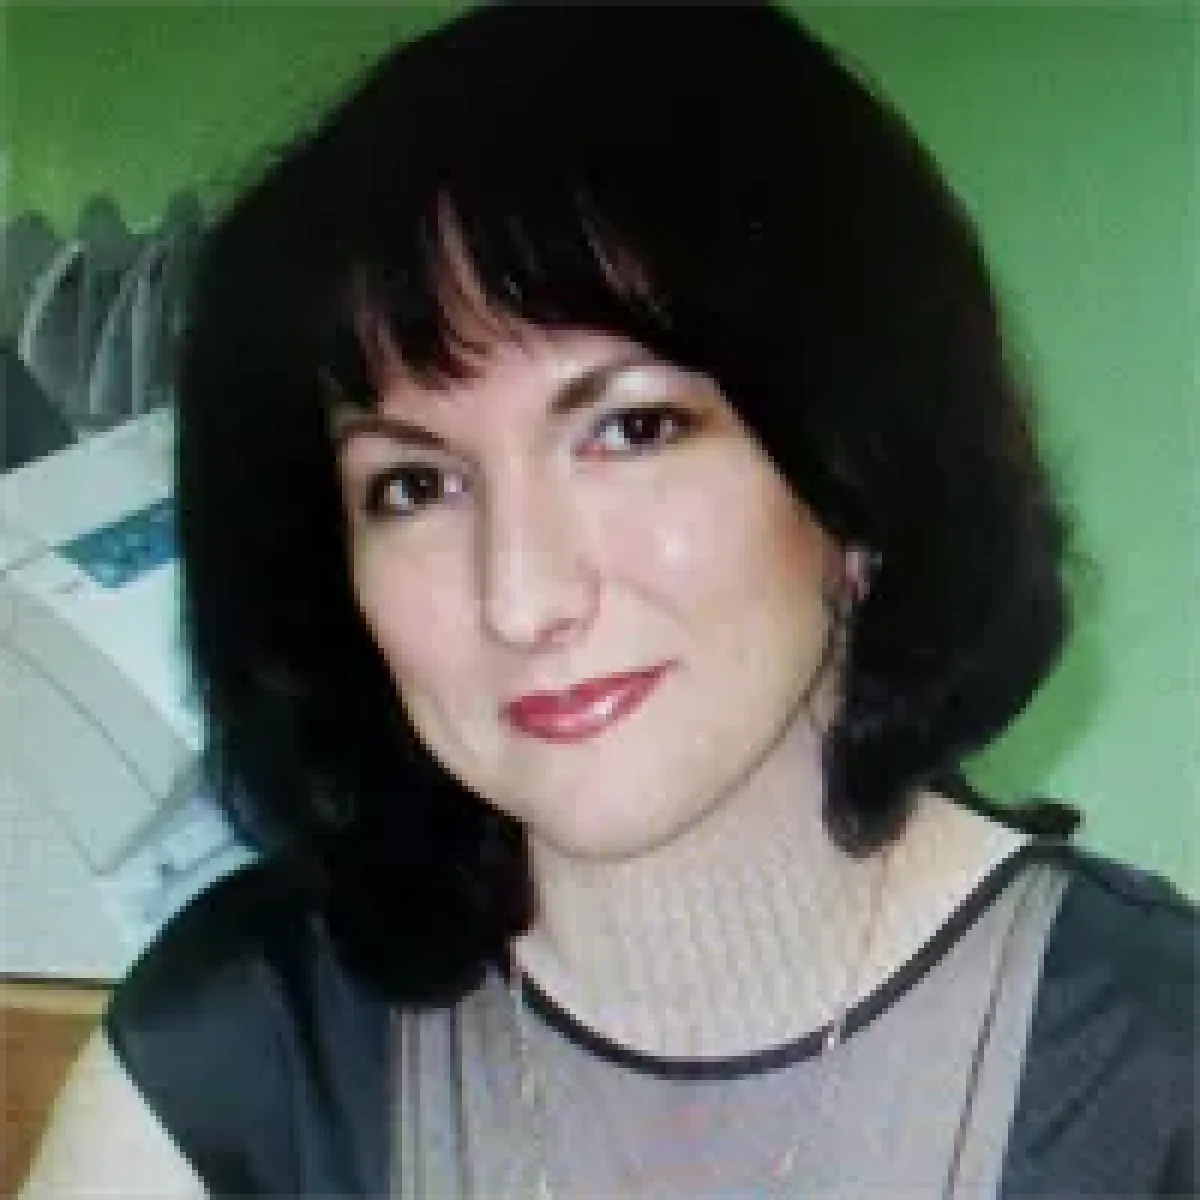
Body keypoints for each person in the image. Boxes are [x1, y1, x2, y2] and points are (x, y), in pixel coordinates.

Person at [22, 0, 1200, 1196]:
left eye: (632, 431)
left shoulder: (1155, 1073)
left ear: (859, 480)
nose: (522, 596)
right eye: (415, 485)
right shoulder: (239, 1058)